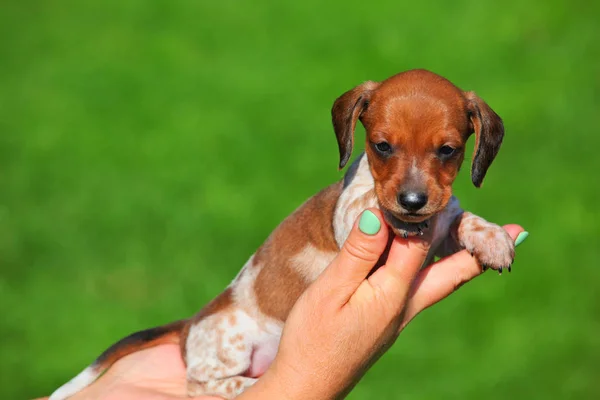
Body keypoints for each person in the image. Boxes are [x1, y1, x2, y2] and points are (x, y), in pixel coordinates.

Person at [38, 209, 527, 400]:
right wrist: (294, 389)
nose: (414, 188)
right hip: (235, 327)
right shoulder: (355, 199)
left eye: (445, 153)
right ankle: (207, 382)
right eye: (384, 148)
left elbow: (444, 218)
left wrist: (468, 227)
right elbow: (359, 232)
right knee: (220, 341)